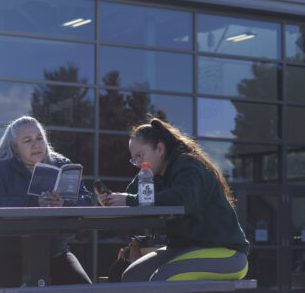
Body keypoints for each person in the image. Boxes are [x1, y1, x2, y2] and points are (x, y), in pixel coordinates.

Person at [97, 118, 249, 282]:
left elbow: (179, 200)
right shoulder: (151, 173)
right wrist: (111, 199)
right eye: (134, 158)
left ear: (160, 148)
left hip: (226, 252)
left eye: (140, 155)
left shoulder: (189, 166)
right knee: (132, 277)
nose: (138, 163)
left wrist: (128, 200)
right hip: (183, 248)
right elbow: (132, 195)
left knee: (162, 279)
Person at [0, 116, 93, 287]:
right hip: (2, 252)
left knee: (83, 288)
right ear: (14, 147)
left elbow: (88, 201)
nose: (36, 144)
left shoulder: (62, 165)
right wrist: (35, 202)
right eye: (27, 140)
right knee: (26, 286)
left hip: (53, 252)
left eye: (39, 138)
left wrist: (64, 204)